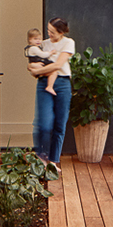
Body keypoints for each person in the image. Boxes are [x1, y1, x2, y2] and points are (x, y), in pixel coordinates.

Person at [28, 17, 73, 170]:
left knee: (60, 124)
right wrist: (32, 68)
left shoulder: (68, 43)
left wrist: (38, 70)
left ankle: (53, 161)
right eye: (48, 30)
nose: (49, 34)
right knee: (44, 123)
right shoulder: (43, 44)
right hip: (44, 83)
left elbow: (59, 64)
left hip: (63, 84)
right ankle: (41, 158)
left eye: (52, 32)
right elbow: (31, 62)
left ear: (61, 32)